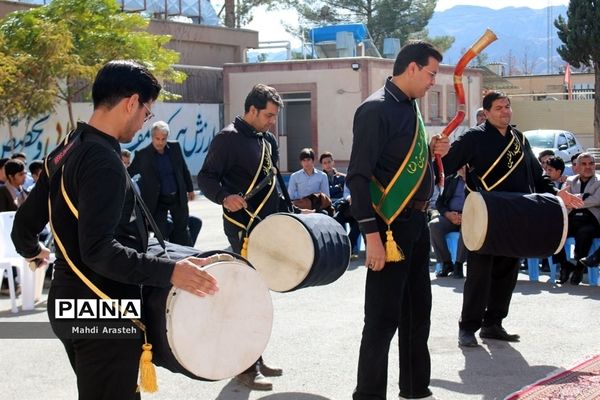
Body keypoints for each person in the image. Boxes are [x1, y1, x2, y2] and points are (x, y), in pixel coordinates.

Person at [11, 60, 218, 400]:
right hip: (102, 307)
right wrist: (171, 272)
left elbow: (24, 227)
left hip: (67, 301)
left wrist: (35, 253)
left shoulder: (67, 148)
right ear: (131, 102)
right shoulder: (103, 160)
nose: (143, 123)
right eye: (147, 113)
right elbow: (99, 251)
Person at [346, 40, 449, 400]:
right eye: (432, 73)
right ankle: (369, 395)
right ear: (412, 68)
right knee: (381, 320)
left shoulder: (410, 106)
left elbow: (406, 159)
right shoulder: (375, 109)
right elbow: (357, 178)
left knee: (418, 313)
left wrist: (435, 149)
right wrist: (371, 235)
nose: (434, 81)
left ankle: (415, 388)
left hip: (418, 224)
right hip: (388, 228)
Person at [442, 91, 582, 348]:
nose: (505, 111)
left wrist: (556, 192)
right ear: (486, 113)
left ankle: (493, 323)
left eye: (508, 106)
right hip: (485, 213)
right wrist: (438, 151)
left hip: (516, 212)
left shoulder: (519, 138)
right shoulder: (473, 137)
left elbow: (538, 176)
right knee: (479, 273)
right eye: (499, 108)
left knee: (508, 270)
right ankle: (468, 327)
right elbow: (447, 165)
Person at [197, 83, 284, 391]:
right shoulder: (227, 139)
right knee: (245, 297)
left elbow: (273, 182)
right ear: (251, 110)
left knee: (259, 297)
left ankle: (255, 357)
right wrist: (224, 197)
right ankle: (244, 367)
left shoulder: (268, 140)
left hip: (267, 227)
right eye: (268, 115)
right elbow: (205, 177)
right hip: (242, 228)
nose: (272, 121)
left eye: (274, 116)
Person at [128, 120, 195, 246]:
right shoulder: (142, 155)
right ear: (152, 137)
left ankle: (186, 255)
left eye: (163, 139)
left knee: (182, 230)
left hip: (177, 197)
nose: (160, 142)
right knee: (161, 233)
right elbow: (128, 174)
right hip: (157, 201)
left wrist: (190, 189)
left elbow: (184, 169)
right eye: (157, 138)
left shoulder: (175, 148)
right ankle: (166, 259)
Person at [552, 152, 600, 285]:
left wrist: (573, 199)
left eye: (591, 163)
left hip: (592, 220)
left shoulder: (599, 181)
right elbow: (563, 199)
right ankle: (564, 265)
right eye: (584, 164)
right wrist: (585, 196)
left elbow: (597, 199)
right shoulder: (569, 181)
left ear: (595, 165)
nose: (588, 167)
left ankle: (579, 267)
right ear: (577, 166)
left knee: (584, 232)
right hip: (571, 218)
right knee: (555, 231)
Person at [429, 166, 468, 279]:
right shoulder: (451, 179)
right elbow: (439, 203)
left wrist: (465, 216)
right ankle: (446, 263)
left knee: (466, 227)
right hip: (451, 216)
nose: (461, 168)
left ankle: (459, 265)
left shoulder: (475, 181)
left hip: (469, 217)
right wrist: (448, 215)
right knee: (434, 225)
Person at [320, 151, 361, 257]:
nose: (327, 165)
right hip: (330, 206)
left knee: (354, 218)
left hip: (344, 205)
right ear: (322, 165)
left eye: (329, 162)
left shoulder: (343, 177)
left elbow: (345, 193)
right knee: (337, 218)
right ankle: (340, 247)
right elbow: (326, 194)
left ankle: (353, 248)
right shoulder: (320, 177)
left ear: (333, 162)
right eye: (325, 163)